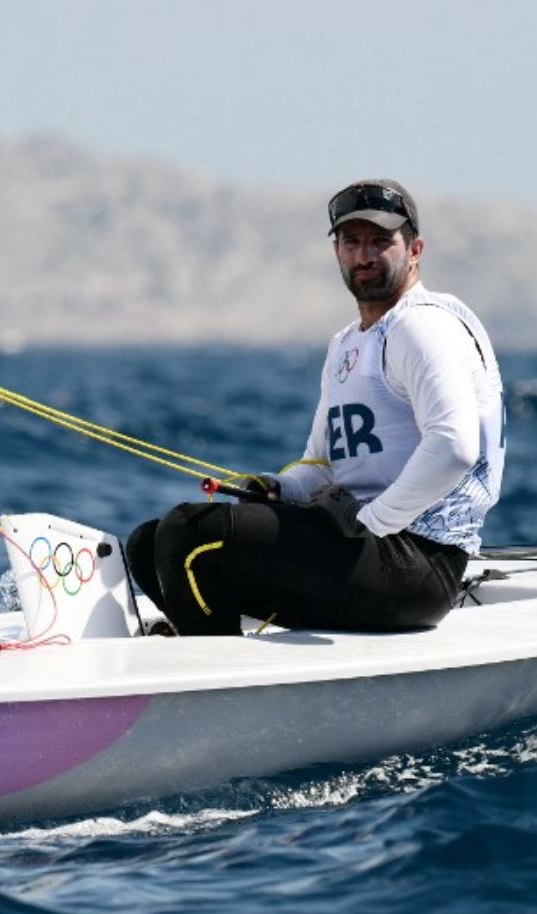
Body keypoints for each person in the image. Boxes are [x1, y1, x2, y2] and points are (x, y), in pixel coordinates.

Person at [127, 178, 504, 636]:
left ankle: (208, 679)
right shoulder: (346, 343)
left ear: (415, 250)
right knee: (148, 543)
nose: (364, 255)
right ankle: (211, 649)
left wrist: (373, 520)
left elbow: (453, 448)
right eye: (352, 242)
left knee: (189, 536)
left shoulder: (421, 327)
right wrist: (279, 489)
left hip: (418, 564)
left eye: (381, 242)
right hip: (362, 548)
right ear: (337, 251)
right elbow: (323, 468)